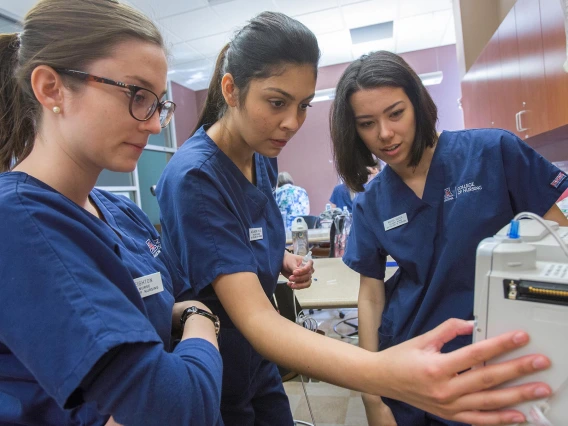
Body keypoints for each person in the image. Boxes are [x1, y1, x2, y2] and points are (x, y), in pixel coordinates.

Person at [158, 12, 553, 426]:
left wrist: (278, 258)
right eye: (277, 103)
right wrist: (378, 386)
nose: (292, 123)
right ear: (230, 90)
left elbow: (239, 238)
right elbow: (256, 317)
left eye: (304, 105)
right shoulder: (195, 177)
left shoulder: (260, 158)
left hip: (262, 364)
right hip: (220, 357)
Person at [0, 1, 222, 424]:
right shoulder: (19, 223)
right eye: (137, 96)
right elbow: (177, 408)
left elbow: (168, 304)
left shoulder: (121, 211)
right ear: (51, 88)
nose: (155, 124)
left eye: (158, 103)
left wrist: (188, 316)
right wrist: (203, 321)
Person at [331, 50, 568, 426]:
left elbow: (559, 243)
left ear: (418, 104)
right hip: (414, 363)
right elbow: (371, 296)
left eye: (396, 113)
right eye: (367, 123)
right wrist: (372, 396)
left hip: (501, 351)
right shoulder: (371, 203)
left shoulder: (492, 152)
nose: (385, 134)